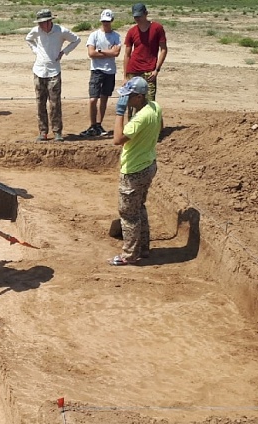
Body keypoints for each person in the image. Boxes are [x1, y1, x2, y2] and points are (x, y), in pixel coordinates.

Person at [110, 77, 162, 266]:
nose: (124, 99)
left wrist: (119, 113)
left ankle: (129, 255)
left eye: (128, 96)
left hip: (134, 170)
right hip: (148, 164)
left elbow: (117, 139)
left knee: (128, 214)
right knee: (139, 207)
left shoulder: (139, 119)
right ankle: (144, 247)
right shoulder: (155, 107)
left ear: (139, 97)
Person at [25, 9, 81, 142]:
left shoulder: (61, 31)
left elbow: (76, 40)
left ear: (49, 21)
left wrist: (64, 52)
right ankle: (43, 132)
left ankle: (57, 132)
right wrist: (36, 50)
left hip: (54, 71)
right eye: (39, 23)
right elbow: (28, 39)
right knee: (40, 102)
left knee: (55, 103)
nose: (40, 25)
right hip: (39, 71)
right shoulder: (36, 31)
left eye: (43, 22)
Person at [80, 9, 121, 137]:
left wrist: (100, 51)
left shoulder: (116, 36)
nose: (105, 24)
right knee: (93, 99)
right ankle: (92, 125)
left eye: (107, 22)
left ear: (112, 21)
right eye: (104, 21)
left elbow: (116, 53)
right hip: (97, 70)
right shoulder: (94, 35)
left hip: (110, 71)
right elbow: (91, 53)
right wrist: (107, 52)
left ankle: (98, 124)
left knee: (104, 99)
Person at [123, 3, 167, 102]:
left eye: (139, 16)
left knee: (149, 102)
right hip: (133, 70)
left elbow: (163, 49)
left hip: (149, 71)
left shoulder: (157, 28)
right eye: (135, 16)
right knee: (132, 103)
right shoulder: (131, 31)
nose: (137, 18)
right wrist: (125, 77)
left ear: (146, 14)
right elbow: (127, 54)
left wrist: (157, 69)